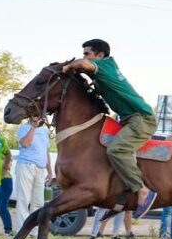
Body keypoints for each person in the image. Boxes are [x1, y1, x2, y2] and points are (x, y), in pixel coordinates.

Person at [62, 39, 159, 218]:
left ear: (99, 55)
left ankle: (143, 190)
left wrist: (67, 67)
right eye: (84, 54)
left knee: (116, 150)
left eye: (87, 53)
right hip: (128, 119)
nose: (85, 57)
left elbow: (82, 64)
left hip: (141, 118)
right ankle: (120, 197)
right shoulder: (101, 73)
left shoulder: (105, 65)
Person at [13, 115, 53, 227]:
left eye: (38, 116)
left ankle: (34, 230)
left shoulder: (45, 131)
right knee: (24, 199)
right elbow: (25, 143)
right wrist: (33, 128)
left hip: (40, 169)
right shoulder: (24, 128)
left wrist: (49, 171)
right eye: (34, 116)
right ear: (30, 117)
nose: (37, 118)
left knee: (39, 202)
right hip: (26, 165)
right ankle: (22, 229)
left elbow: (46, 152)